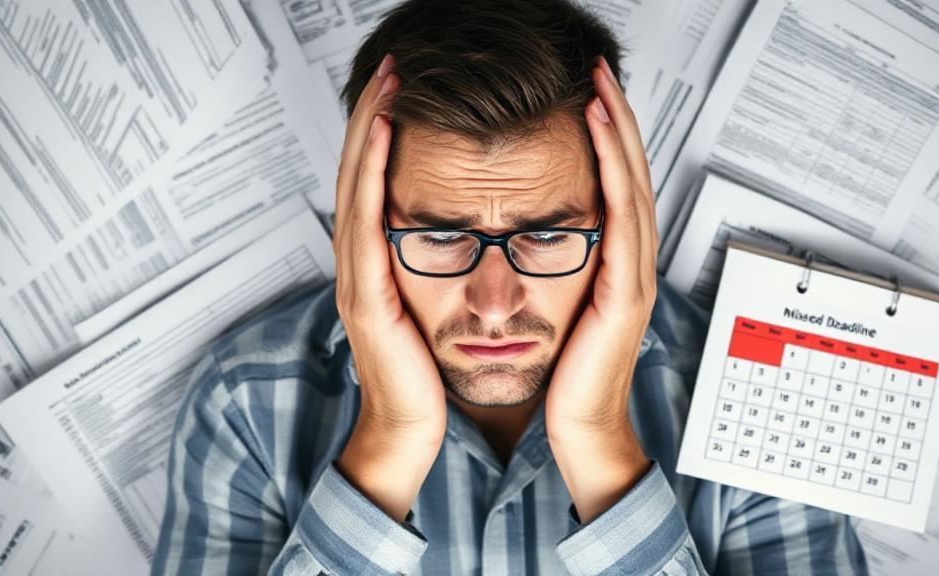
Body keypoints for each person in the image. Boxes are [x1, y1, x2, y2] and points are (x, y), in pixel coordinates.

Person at [151, 0, 869, 573]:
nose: (495, 304)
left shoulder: (761, 392)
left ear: (618, 219)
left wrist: (600, 444)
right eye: (438, 236)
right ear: (367, 226)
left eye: (549, 235)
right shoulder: (245, 400)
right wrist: (388, 443)